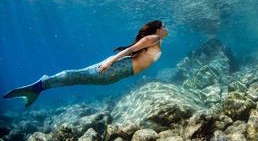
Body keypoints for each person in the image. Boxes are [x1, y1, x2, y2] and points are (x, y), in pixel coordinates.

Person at [3, 20, 169, 107]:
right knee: (77, 76)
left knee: (78, 76)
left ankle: (41, 85)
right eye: (164, 26)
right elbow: (129, 50)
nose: (167, 28)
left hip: (120, 71)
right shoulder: (154, 38)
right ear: (158, 30)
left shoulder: (156, 41)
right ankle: (39, 86)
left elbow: (135, 52)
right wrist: (110, 61)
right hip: (117, 69)